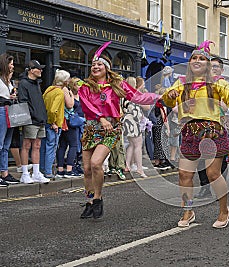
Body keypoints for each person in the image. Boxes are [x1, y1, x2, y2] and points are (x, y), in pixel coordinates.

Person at [162, 40, 229, 228]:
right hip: (190, 132)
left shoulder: (218, 84)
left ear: (207, 64)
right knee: (184, 175)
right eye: (194, 58)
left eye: (202, 58)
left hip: (212, 132)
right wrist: (169, 96)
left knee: (213, 174)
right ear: (190, 63)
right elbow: (167, 101)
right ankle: (188, 211)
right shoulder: (180, 83)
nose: (197, 61)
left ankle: (224, 211)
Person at [78, 41, 160, 219]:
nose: (95, 67)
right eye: (93, 64)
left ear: (107, 68)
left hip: (111, 128)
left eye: (100, 64)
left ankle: (98, 198)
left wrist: (160, 96)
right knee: (86, 169)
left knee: (96, 163)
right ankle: (90, 200)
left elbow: (138, 96)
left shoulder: (117, 85)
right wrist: (99, 117)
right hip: (91, 129)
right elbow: (86, 106)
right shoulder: (85, 87)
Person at [195, 57, 229, 198]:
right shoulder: (201, 84)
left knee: (220, 157)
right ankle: (205, 187)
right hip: (202, 126)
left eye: (216, 67)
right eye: (211, 66)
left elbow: (227, 107)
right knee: (201, 158)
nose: (213, 69)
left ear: (221, 70)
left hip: (219, 126)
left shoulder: (223, 85)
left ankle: (219, 184)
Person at [18, 60, 50, 184]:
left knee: (37, 146)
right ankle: (25, 174)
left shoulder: (36, 83)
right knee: (26, 146)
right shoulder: (23, 83)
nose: (41, 70)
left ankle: (36, 173)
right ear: (31, 70)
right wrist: (31, 116)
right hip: (31, 120)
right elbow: (23, 102)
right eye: (39, 68)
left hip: (40, 119)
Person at [40, 69, 75, 179]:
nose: (69, 81)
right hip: (53, 124)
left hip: (45, 123)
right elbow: (52, 110)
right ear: (64, 81)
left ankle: (42, 170)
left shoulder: (49, 89)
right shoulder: (60, 92)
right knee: (52, 147)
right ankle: (48, 171)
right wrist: (54, 123)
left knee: (43, 147)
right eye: (68, 79)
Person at [122, 76, 149, 177]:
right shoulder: (134, 95)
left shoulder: (124, 95)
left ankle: (128, 165)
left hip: (126, 121)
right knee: (138, 145)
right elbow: (145, 107)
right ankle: (140, 168)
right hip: (133, 122)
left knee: (131, 144)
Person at [0, 53, 20, 186]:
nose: (12, 66)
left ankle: (4, 173)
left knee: (6, 145)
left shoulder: (8, 80)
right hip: (1, 111)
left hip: (9, 111)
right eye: (11, 63)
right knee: (0, 144)